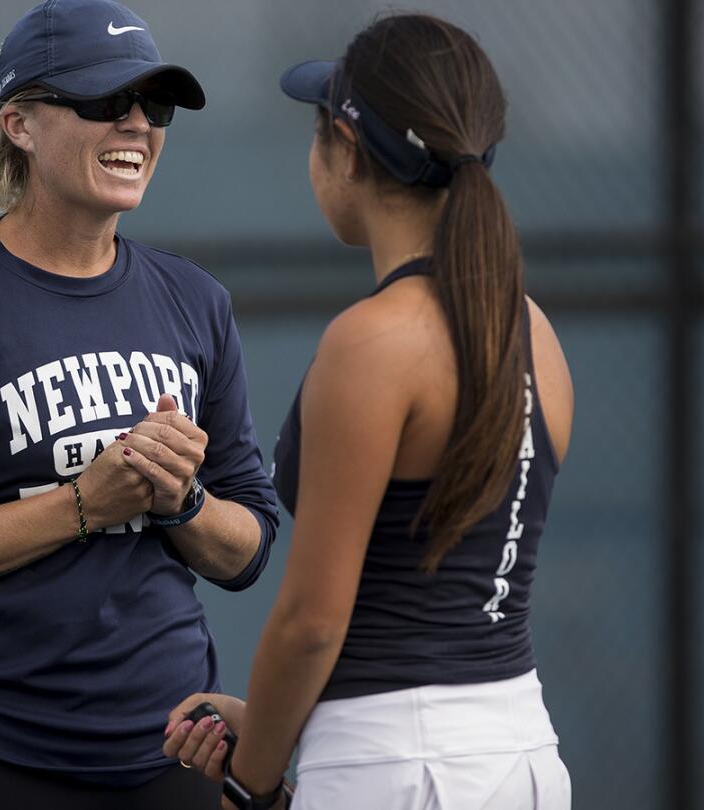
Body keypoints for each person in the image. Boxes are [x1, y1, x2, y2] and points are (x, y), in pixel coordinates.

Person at [0, 1, 279, 807]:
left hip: (168, 754)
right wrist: (81, 506)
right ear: (22, 124)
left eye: (153, 106)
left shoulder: (196, 303)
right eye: (105, 102)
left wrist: (183, 500)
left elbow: (249, 550)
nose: (135, 125)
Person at [160, 12, 575, 810]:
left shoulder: (372, 342)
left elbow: (313, 620)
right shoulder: (535, 330)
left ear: (345, 154)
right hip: (519, 754)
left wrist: (250, 785)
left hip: (395, 767)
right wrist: (281, 728)